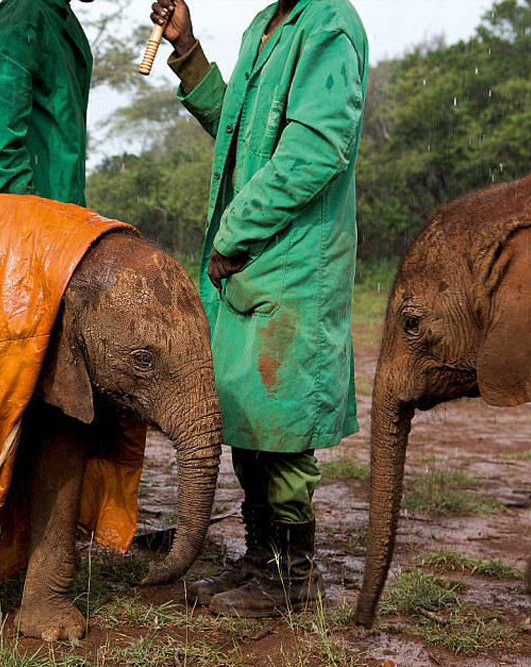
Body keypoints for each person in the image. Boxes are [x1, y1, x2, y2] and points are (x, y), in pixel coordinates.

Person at [150, 0, 367, 617]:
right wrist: (186, 50)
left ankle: (293, 578)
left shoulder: (329, 25)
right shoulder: (263, 25)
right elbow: (238, 127)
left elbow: (316, 150)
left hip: (294, 259)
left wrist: (232, 230)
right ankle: (260, 559)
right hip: (251, 259)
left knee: (283, 423)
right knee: (243, 410)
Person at [0, 0, 94, 205]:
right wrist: (32, 216)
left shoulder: (60, 19)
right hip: (4, 219)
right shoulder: (25, 12)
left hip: (56, 215)